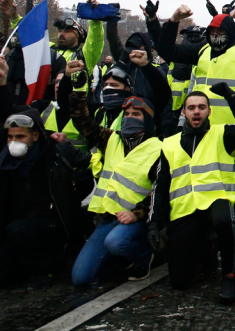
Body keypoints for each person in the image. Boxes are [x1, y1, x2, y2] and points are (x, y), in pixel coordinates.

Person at [156, 4, 235, 275]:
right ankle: (209, 241)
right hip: (203, 131)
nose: (215, 36)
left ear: (231, 33)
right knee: (203, 186)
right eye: (212, 31)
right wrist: (173, 20)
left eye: (221, 31)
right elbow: (167, 51)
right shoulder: (201, 51)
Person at [154, 84, 235, 303]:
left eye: (202, 107)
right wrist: (154, 223)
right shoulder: (169, 144)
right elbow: (160, 186)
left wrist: (230, 96)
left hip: (215, 203)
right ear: (184, 112)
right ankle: (209, 247)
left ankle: (228, 276)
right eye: (191, 108)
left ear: (209, 111)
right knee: (178, 282)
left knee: (224, 219)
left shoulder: (222, 134)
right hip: (184, 211)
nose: (196, 111)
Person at [70, 86, 162, 286]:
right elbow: (82, 121)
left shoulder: (158, 149)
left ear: (147, 119)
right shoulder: (111, 139)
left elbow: (159, 193)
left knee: (116, 242)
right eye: (126, 114)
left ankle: (143, 256)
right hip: (107, 219)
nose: (129, 117)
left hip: (137, 221)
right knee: (81, 278)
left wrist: (136, 214)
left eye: (136, 114)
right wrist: (78, 91)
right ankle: (119, 255)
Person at [0, 95, 91, 290]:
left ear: (34, 136)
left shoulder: (56, 152)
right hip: (19, 220)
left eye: (20, 136)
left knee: (18, 230)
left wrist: (73, 187)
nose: (14, 142)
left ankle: (49, 268)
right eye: (10, 137)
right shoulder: (5, 161)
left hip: (52, 221)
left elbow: (90, 163)